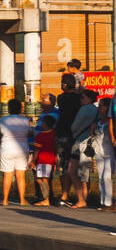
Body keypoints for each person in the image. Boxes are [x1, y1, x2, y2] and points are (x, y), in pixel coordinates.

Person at [64, 88, 100, 209]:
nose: (81, 100)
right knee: (85, 174)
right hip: (90, 143)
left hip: (79, 142)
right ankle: (85, 198)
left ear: (89, 99)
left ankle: (81, 199)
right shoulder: (97, 110)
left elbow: (74, 127)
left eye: (83, 97)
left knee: (71, 171)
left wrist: (75, 133)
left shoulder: (84, 109)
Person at [54, 74, 83, 203]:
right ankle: (77, 194)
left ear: (64, 85)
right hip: (76, 134)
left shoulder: (61, 98)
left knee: (63, 166)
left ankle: (64, 194)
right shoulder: (79, 98)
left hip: (63, 133)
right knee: (74, 167)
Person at [0, 98, 31, 206]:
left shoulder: (3, 119)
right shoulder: (25, 120)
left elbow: (0, 131)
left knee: (7, 175)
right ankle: (22, 200)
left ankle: (5, 200)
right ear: (20, 108)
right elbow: (29, 132)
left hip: (7, 147)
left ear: (9, 108)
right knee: (20, 176)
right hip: (22, 147)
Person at [30, 113, 57, 205]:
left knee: (42, 179)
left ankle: (46, 199)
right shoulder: (54, 134)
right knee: (42, 178)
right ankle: (46, 196)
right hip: (51, 159)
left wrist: (33, 161)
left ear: (44, 124)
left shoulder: (40, 135)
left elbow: (37, 150)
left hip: (43, 159)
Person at [95, 97, 114, 211]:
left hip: (109, 152)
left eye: (102, 105)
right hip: (99, 151)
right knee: (100, 177)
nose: (100, 108)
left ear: (107, 107)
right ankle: (102, 201)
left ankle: (108, 202)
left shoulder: (111, 122)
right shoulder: (97, 121)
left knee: (107, 177)